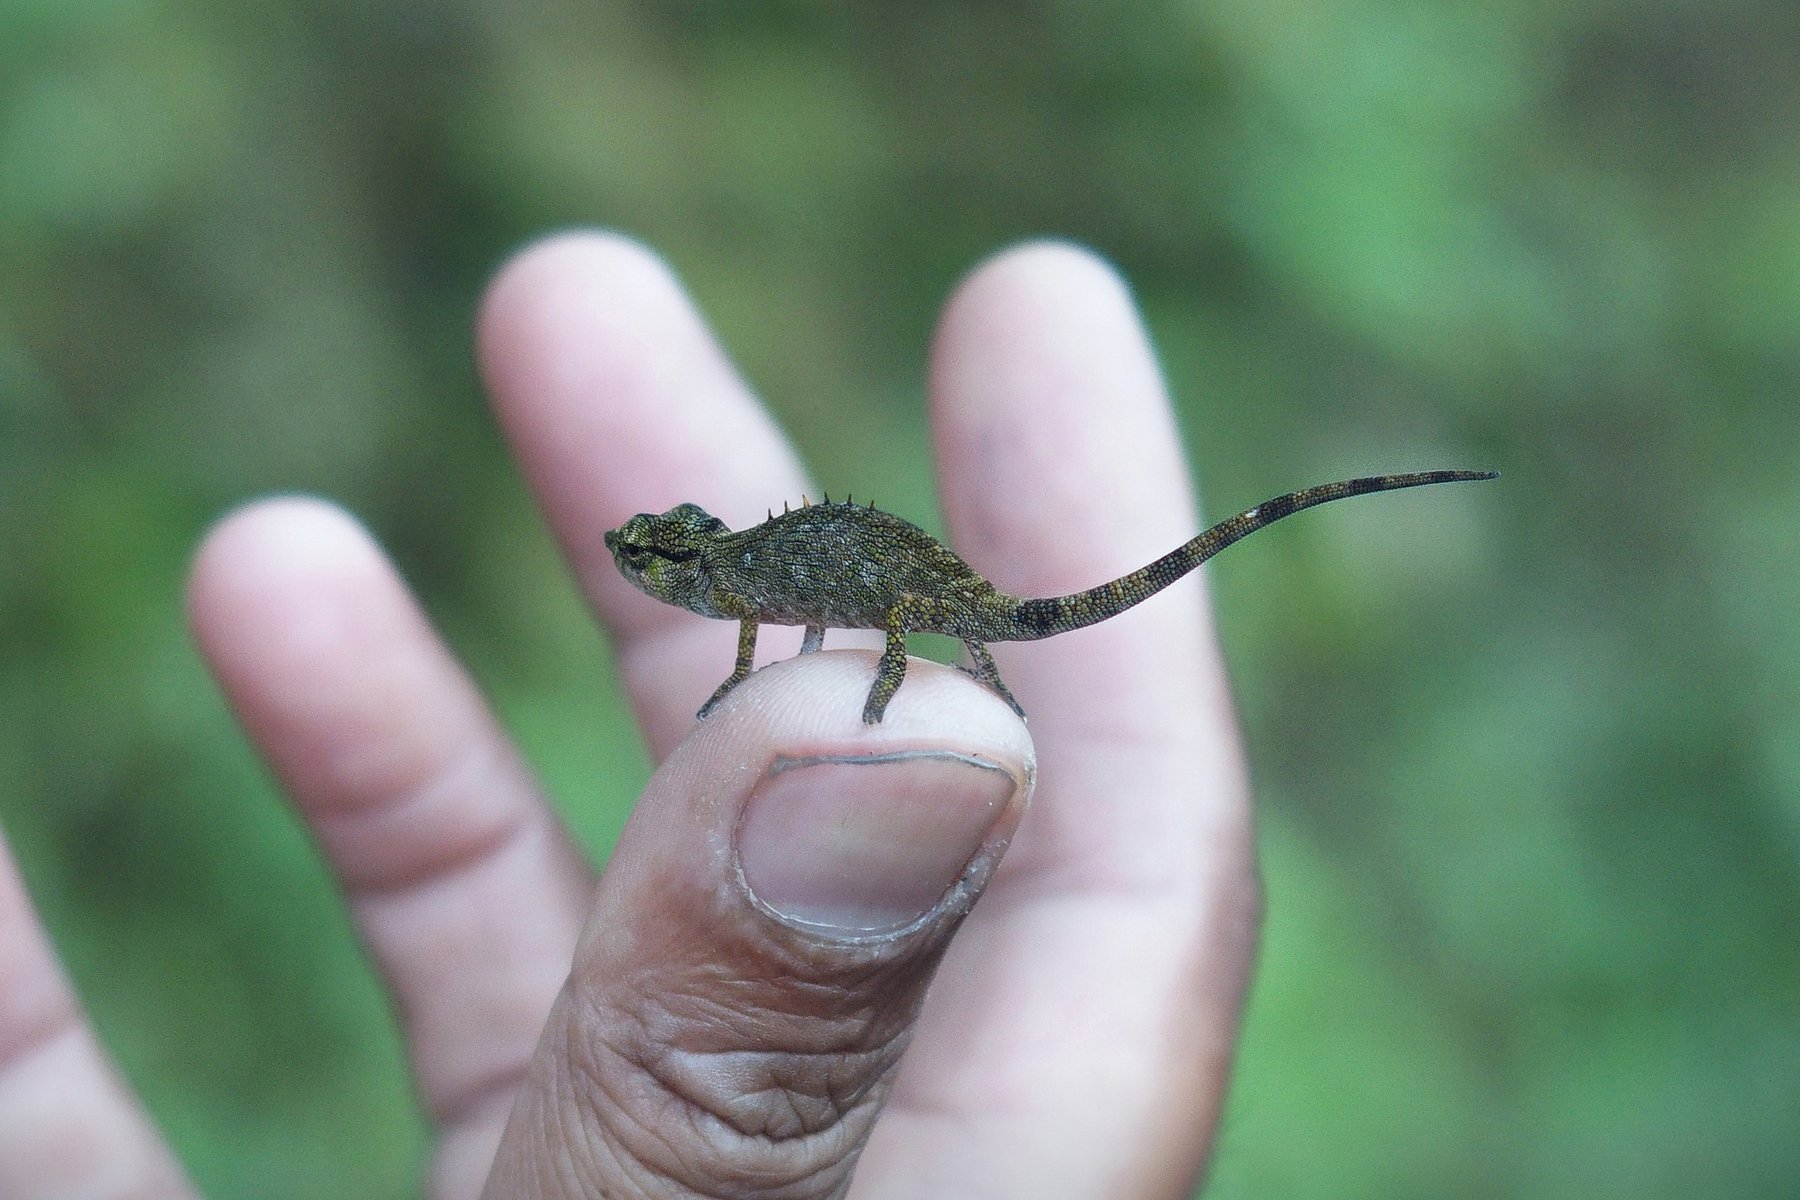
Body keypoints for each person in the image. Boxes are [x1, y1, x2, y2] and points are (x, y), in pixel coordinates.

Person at [0, 236, 1260, 1198]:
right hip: (873, 588)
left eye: (662, 565)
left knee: (923, 630)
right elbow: (783, 623)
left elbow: (831, 604)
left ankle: (926, 678)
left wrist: (893, 680)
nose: (658, 578)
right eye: (658, 567)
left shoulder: (752, 582)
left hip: (900, 589)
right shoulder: (746, 588)